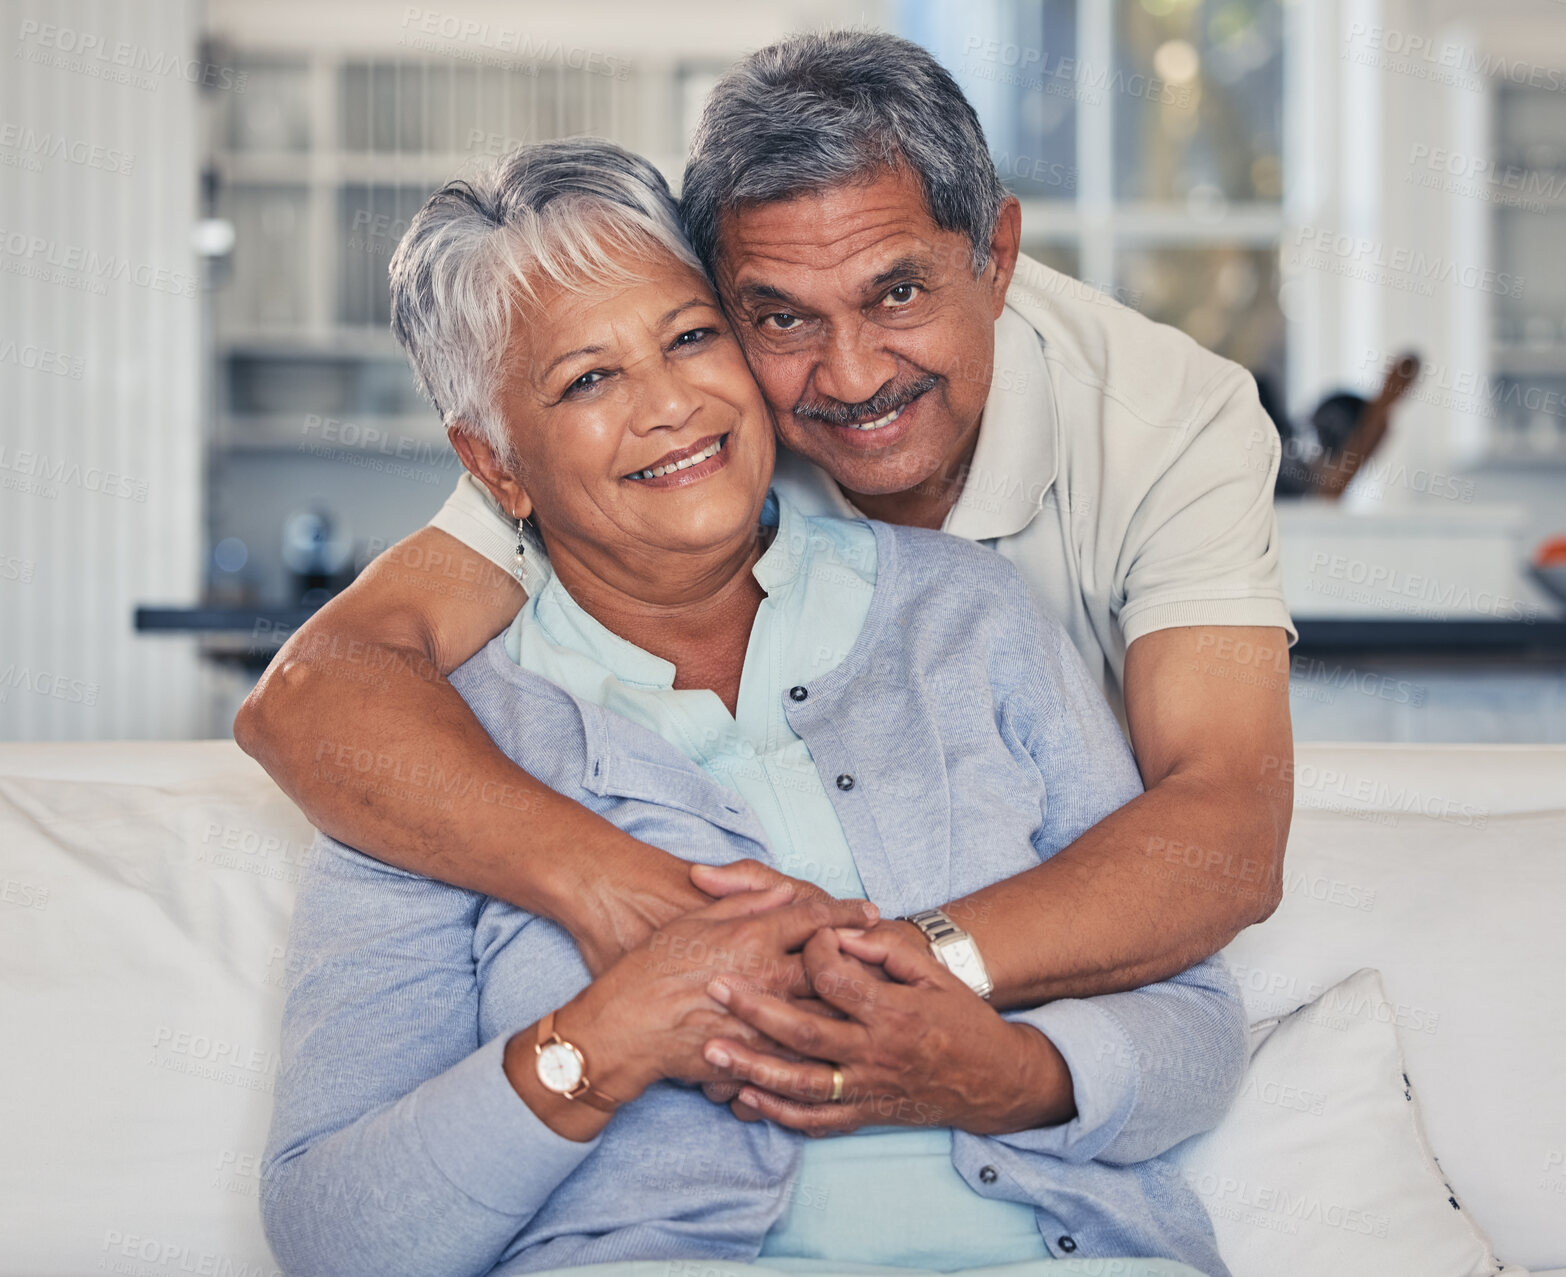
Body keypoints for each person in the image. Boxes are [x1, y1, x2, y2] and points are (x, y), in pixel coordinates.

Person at [236, 30, 1294, 1128]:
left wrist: (895, 977)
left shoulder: (1174, 425)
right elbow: (318, 692)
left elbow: (1223, 824)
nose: (850, 375)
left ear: (997, 254)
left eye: (897, 294)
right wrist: (617, 887)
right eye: (781, 315)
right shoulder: (683, 413)